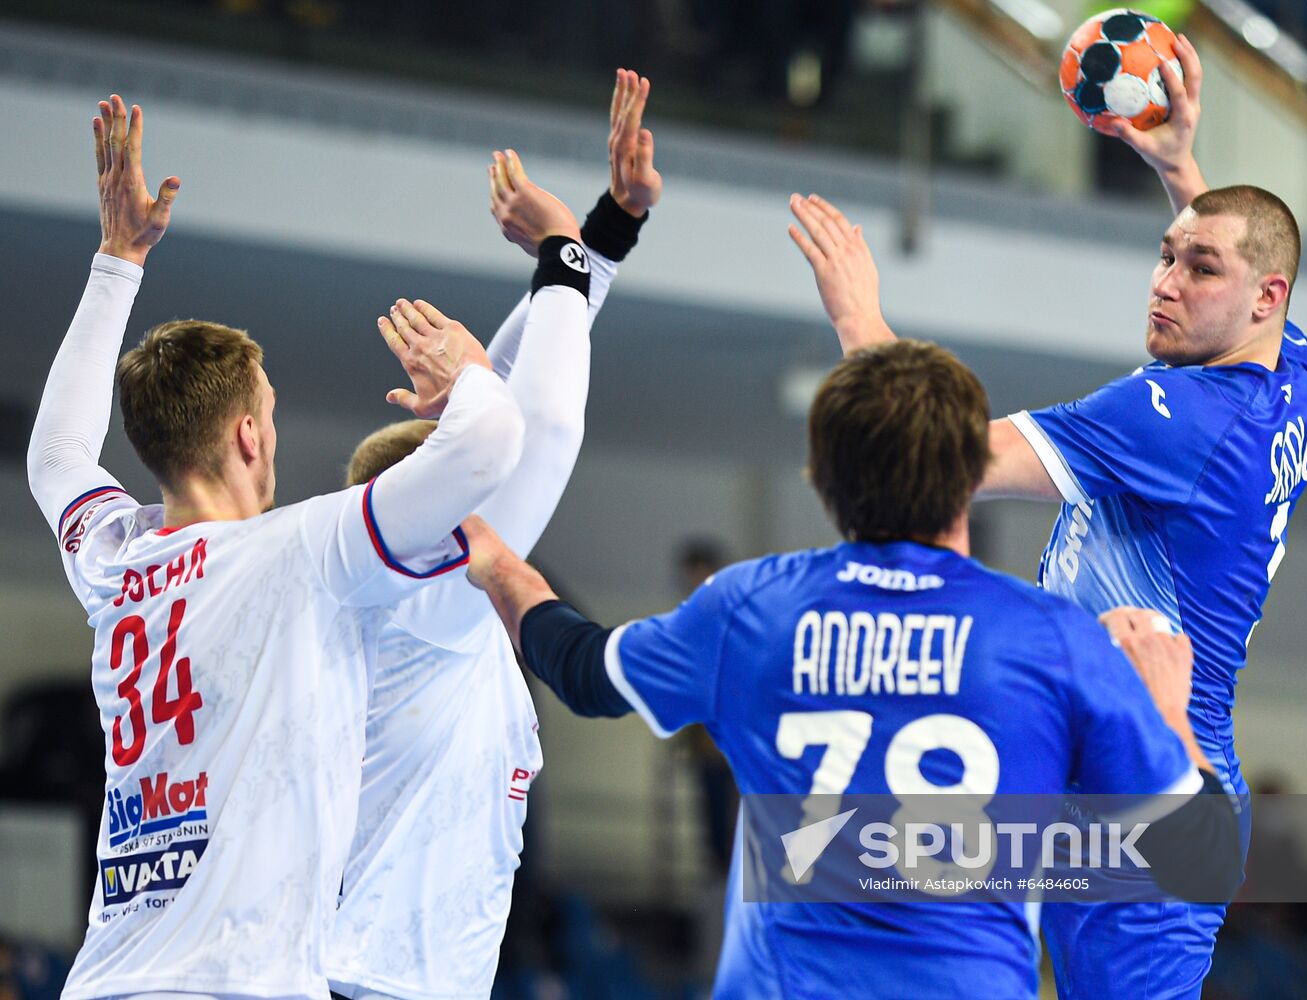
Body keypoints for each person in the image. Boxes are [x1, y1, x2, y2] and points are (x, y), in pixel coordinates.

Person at [786, 35, 1307, 1000]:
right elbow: (1247, 266)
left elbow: (931, 461)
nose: (1166, 282)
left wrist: (856, 321)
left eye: (1196, 269)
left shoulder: (1170, 423)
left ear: (1265, 297)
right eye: (1166, 256)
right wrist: (1181, 173)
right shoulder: (1302, 376)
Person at [454, 338, 1241, 999]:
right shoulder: (1053, 639)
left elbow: (582, 671)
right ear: (971, 475)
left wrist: (497, 563)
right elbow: (1195, 856)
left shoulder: (751, 610)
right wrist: (1169, 714)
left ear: (822, 478)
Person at [25, 94, 568, 1000]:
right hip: (234, 985)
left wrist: (116, 262)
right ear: (248, 436)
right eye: (269, 415)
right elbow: (493, 446)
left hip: (109, 980)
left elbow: (56, 455)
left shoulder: (114, 561)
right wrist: (467, 373)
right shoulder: (301, 553)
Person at [324, 69, 660, 1000]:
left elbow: (519, 386)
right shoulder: (418, 599)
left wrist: (607, 232)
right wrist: (557, 246)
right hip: (367, 985)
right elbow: (541, 423)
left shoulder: (415, 591)